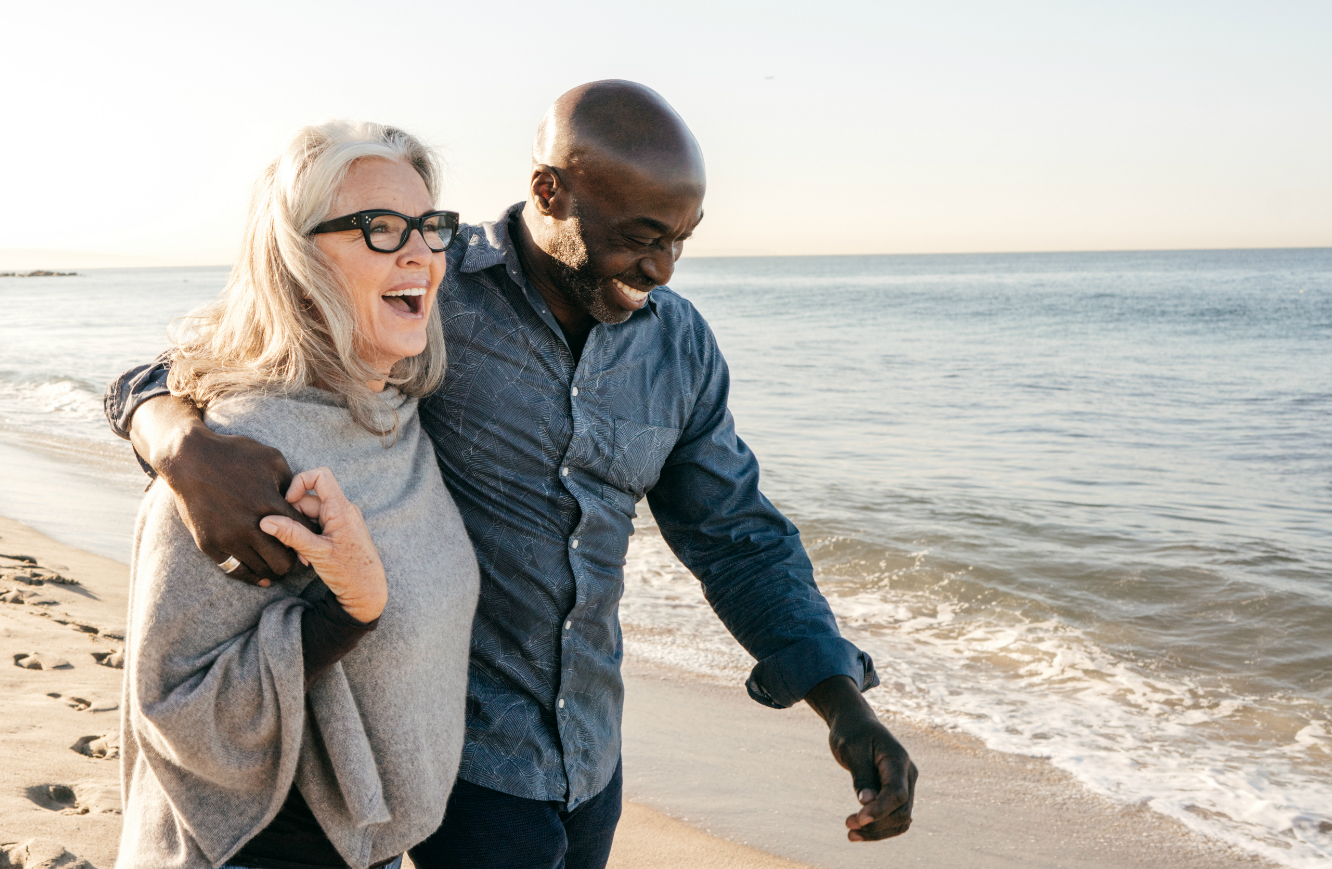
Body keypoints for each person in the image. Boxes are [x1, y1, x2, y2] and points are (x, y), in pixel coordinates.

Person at [107, 81, 918, 869]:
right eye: (640, 236)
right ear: (550, 190)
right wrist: (176, 439)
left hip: (591, 752)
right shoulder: (426, 282)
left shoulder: (679, 347)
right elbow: (227, 356)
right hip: (456, 766)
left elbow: (735, 535)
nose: (664, 268)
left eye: (681, 238)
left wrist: (838, 698)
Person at [114, 120, 480, 869]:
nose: (419, 252)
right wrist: (348, 613)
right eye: (378, 228)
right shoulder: (240, 456)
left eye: (429, 227)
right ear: (295, 260)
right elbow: (174, 706)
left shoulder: (393, 412)